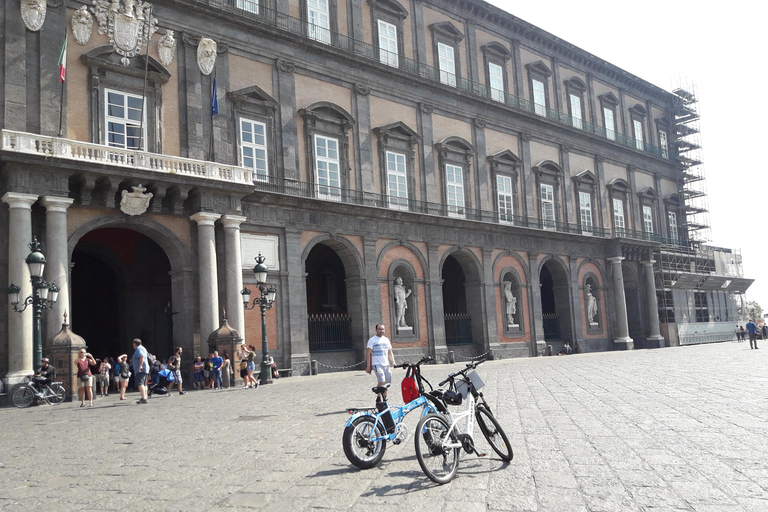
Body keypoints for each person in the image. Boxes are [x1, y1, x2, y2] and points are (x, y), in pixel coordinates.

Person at [365, 324, 395, 401]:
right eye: (379, 329)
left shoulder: (386, 340)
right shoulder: (372, 340)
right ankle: (378, 396)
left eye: (382, 329)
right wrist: (368, 366)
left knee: (387, 382)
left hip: (386, 364)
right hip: (377, 364)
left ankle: (384, 397)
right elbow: (368, 353)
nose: (381, 331)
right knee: (381, 380)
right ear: (376, 330)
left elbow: (389, 352)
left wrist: (393, 362)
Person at [131, 338, 150, 404]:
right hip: (146, 368)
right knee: (144, 384)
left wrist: (140, 366)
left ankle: (144, 398)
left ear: (134, 344)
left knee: (140, 383)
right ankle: (145, 396)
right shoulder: (143, 348)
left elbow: (141, 356)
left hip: (141, 369)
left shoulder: (138, 349)